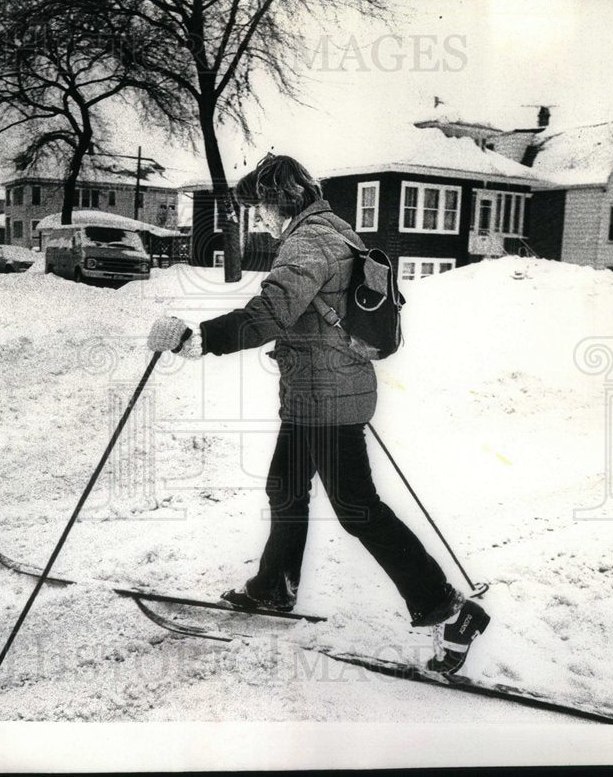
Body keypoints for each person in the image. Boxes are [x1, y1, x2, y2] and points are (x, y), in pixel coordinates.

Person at [146, 154, 489, 674]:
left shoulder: (307, 243)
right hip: (318, 392)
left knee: (357, 508)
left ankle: (448, 609)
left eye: (259, 209)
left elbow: (269, 314)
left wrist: (199, 340)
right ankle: (273, 588)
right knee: (285, 487)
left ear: (279, 202)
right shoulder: (334, 230)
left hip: (327, 397)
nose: (259, 221)